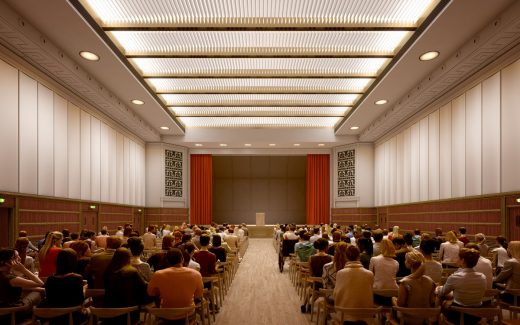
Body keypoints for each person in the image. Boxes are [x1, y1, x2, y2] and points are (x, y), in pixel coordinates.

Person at [147, 248, 203, 324]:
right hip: (187, 313)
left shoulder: (158, 274)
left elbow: (151, 293)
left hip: (166, 314)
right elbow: (198, 295)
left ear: (167, 260)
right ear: (182, 259)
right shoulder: (196, 274)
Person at [436, 248, 487, 324]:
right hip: (476, 315)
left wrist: (437, 289)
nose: (457, 259)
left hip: (458, 314)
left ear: (462, 260)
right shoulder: (483, 277)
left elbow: (442, 292)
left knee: (439, 297)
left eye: (458, 258)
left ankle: (435, 320)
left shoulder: (455, 277)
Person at [39, 249, 86, 325]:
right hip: (72, 317)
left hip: (54, 318)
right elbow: (80, 301)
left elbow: (50, 299)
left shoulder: (50, 279)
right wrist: (84, 289)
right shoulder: (77, 278)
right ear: (73, 262)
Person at [104, 248, 150, 324]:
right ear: (128, 258)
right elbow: (144, 287)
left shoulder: (108, 271)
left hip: (110, 311)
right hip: (129, 311)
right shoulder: (132, 271)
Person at [333, 246, 375, 324]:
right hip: (365, 314)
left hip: (345, 314)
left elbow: (336, 294)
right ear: (359, 256)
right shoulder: (369, 274)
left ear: (346, 257)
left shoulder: (341, 273)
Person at [0, 248, 43, 323]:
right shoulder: (10, 278)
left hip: (3, 311)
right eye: (17, 257)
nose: (20, 258)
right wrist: (23, 269)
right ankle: (43, 315)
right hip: (13, 313)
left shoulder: (4, 275)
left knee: (38, 290)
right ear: (9, 261)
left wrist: (38, 289)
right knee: (37, 293)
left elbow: (10, 289)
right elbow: (40, 283)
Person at [393, 250, 436, 325]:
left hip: (408, 319)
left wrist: (393, 300)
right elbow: (432, 302)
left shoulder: (404, 282)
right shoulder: (430, 281)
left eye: (406, 260)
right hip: (424, 319)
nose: (404, 261)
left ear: (409, 263)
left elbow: (400, 304)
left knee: (392, 301)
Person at [369, 239, 398, 305]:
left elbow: (370, 276)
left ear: (381, 247)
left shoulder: (374, 259)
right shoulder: (396, 263)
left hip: (378, 292)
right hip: (393, 292)